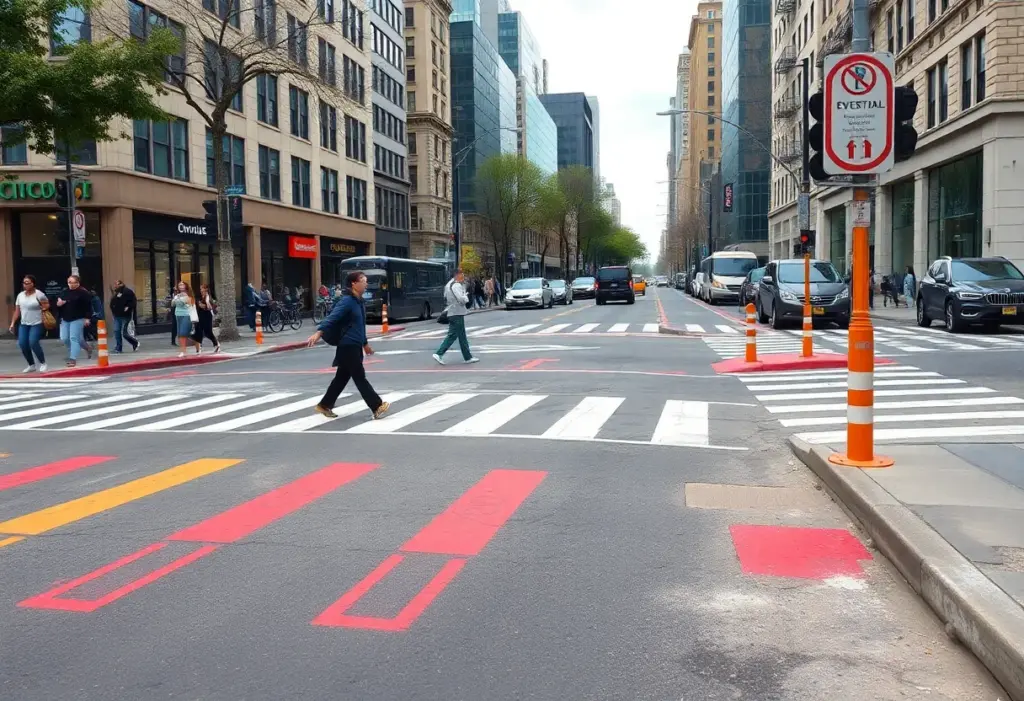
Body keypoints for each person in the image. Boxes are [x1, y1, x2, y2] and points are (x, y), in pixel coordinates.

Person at [306, 271, 391, 420]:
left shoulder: (359, 302)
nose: (366, 284)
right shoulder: (347, 301)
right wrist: (319, 332)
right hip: (347, 345)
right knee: (359, 377)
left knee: (341, 378)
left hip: (355, 345)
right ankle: (376, 406)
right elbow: (332, 317)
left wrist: (365, 344)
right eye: (363, 281)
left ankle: (325, 405)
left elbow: (359, 326)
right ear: (354, 284)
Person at [433, 269, 478, 365]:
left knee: (457, 335)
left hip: (451, 312)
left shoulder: (448, 284)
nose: (463, 277)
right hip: (457, 312)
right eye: (462, 275)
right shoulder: (456, 285)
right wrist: (465, 296)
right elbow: (461, 299)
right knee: (458, 336)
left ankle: (467, 357)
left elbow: (445, 296)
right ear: (457, 275)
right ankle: (439, 353)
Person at [10, 274, 49, 373]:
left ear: (33, 284)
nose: (25, 285)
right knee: (23, 343)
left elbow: (47, 305)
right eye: (24, 283)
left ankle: (43, 363)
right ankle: (31, 365)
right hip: (24, 323)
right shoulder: (20, 295)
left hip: (37, 322)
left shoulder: (39, 294)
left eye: (28, 283)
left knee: (33, 342)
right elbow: (17, 311)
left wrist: (43, 307)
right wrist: (12, 323)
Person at [55, 274, 92, 367]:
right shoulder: (64, 292)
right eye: (69, 282)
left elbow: (88, 306)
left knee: (73, 338)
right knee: (65, 338)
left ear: (78, 283)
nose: (71, 284)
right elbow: (57, 304)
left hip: (78, 318)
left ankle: (73, 358)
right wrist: (59, 304)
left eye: (74, 282)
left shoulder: (83, 293)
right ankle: (87, 348)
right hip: (65, 318)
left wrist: (87, 318)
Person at [171, 281, 202, 358]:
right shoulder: (177, 295)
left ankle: (196, 345)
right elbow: (172, 304)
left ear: (186, 286)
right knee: (180, 334)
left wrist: (179, 298)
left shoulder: (189, 295)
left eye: (182, 284)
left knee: (183, 333)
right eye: (179, 284)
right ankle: (183, 351)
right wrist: (177, 297)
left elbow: (183, 302)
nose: (180, 285)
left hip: (186, 315)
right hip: (178, 315)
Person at [109, 280, 139, 353]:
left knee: (124, 333)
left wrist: (128, 307)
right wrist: (113, 309)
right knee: (117, 331)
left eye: (116, 284)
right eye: (115, 284)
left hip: (125, 316)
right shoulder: (117, 293)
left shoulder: (127, 292)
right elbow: (113, 302)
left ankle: (134, 342)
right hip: (117, 315)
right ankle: (118, 347)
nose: (115, 286)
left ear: (121, 284)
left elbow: (133, 301)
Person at [192, 282, 220, 353]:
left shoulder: (208, 297)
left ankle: (216, 344)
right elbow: (198, 305)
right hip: (199, 316)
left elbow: (208, 307)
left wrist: (205, 303)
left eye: (203, 288)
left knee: (208, 332)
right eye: (201, 288)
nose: (201, 290)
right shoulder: (199, 297)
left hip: (207, 316)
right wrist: (199, 304)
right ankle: (198, 348)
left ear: (206, 289)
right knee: (198, 331)